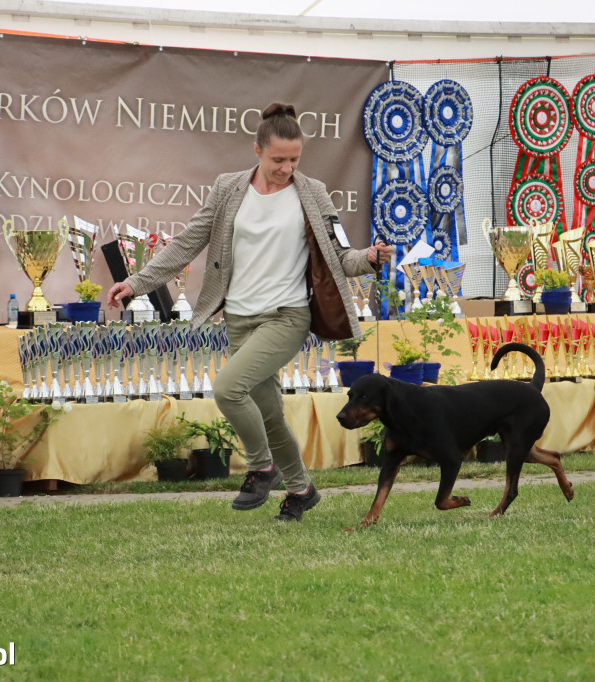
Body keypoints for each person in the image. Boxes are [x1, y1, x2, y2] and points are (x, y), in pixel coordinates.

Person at [109, 102, 393, 522]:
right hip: (239, 318)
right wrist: (136, 282)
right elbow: (188, 242)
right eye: (278, 159)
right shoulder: (228, 188)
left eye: (294, 159)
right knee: (269, 411)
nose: (286, 168)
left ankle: (262, 467)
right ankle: (301, 490)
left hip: (287, 316)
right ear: (257, 150)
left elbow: (340, 256)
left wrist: (369, 257)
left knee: (227, 389)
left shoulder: (312, 192)